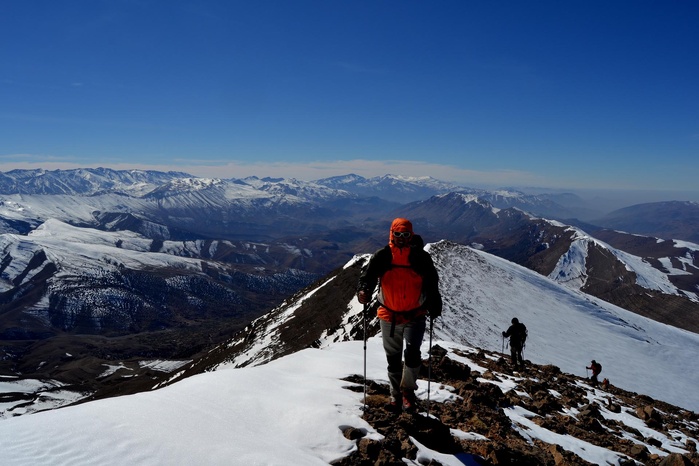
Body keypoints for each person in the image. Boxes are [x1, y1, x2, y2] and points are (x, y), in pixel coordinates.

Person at [357, 218, 442, 412]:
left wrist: (435, 303)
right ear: (391, 234)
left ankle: (407, 394)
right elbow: (368, 278)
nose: (401, 238)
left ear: (411, 235)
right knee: (393, 359)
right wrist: (363, 291)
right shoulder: (383, 256)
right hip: (389, 315)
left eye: (405, 235)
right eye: (398, 234)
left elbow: (431, 283)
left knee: (412, 355)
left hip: (415, 314)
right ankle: (396, 396)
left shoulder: (420, 257)